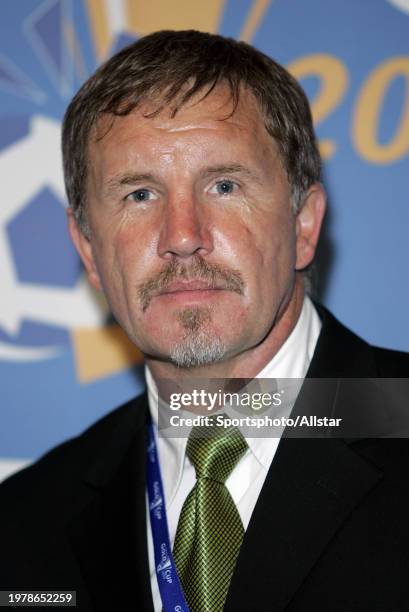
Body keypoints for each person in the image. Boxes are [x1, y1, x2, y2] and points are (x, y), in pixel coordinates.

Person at [1, 29, 408, 612]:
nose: (183, 237)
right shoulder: (24, 526)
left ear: (303, 225)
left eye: (223, 185)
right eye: (139, 195)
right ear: (88, 249)